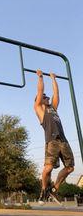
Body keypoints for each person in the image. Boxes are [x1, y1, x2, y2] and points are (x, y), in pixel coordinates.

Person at [34, 69, 75, 205]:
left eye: (47, 97)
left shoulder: (53, 108)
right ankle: (44, 190)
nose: (47, 98)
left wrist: (53, 79)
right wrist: (40, 77)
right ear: (40, 100)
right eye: (45, 97)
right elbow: (40, 92)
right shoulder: (39, 109)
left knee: (70, 168)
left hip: (63, 140)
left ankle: (54, 188)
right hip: (52, 141)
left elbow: (56, 94)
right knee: (48, 168)